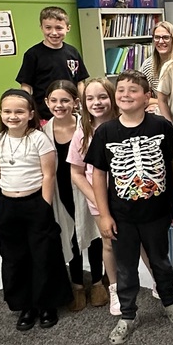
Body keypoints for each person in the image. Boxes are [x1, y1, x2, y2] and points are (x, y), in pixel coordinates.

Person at [88, 70, 173, 344]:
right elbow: (98, 174)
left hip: (157, 212)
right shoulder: (105, 132)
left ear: (147, 97)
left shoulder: (162, 127)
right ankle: (127, 314)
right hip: (121, 215)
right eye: (120, 90)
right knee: (125, 268)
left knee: (161, 261)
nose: (125, 95)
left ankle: (168, 300)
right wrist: (104, 214)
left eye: (133, 90)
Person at [0, 89, 72, 330]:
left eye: (19, 112)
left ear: (31, 114)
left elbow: (48, 175)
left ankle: (46, 304)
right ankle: (26, 305)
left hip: (36, 204)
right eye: (7, 111)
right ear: (0, 113)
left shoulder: (38, 139)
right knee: (15, 257)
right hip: (7, 205)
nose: (13, 116)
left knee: (43, 255)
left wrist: (45, 205)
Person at [44, 80, 103, 311]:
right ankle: (77, 284)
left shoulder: (86, 127)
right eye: (54, 101)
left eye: (65, 100)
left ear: (76, 102)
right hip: (61, 192)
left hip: (87, 187)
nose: (59, 105)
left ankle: (97, 282)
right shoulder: (43, 133)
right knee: (70, 235)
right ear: (47, 102)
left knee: (94, 233)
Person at [68, 77, 120, 314]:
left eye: (102, 97)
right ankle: (115, 289)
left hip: (128, 197)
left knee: (139, 241)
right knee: (108, 243)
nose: (96, 102)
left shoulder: (123, 124)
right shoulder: (83, 132)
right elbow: (76, 172)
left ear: (112, 98)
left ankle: (160, 286)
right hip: (99, 201)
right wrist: (98, 200)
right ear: (82, 102)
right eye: (90, 98)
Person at [16, 5, 89, 121]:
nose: (54, 33)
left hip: (70, 113)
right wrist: (26, 109)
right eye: (48, 28)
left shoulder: (73, 52)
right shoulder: (32, 54)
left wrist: (86, 107)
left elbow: (80, 83)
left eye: (59, 28)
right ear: (41, 28)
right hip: (43, 115)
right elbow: (26, 86)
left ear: (68, 28)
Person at [141, 20, 173, 97]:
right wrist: (159, 102)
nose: (160, 41)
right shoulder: (148, 65)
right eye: (157, 37)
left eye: (166, 37)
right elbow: (142, 97)